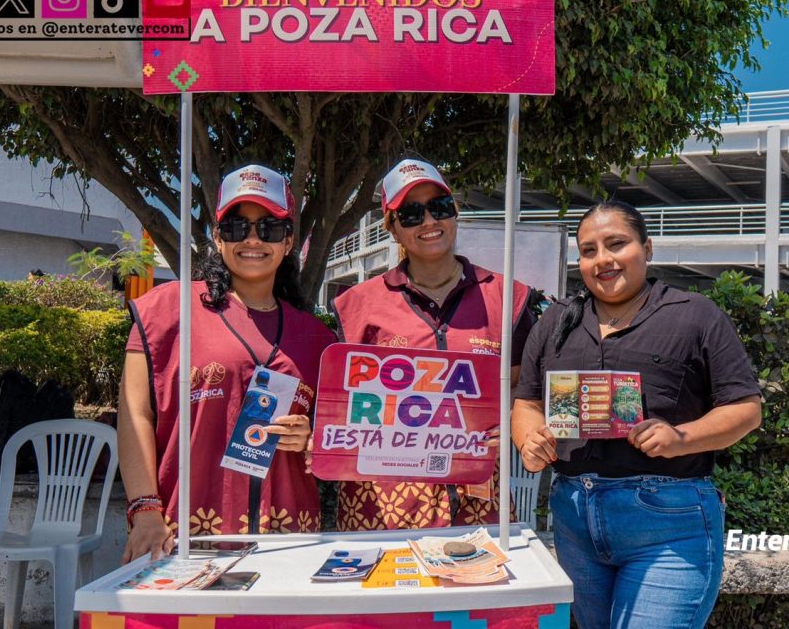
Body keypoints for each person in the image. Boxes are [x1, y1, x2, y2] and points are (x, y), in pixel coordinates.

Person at [513, 199, 762, 629]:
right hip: (574, 518)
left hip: (669, 523)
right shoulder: (555, 321)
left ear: (647, 248)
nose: (602, 259)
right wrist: (529, 440)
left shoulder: (695, 315)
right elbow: (528, 403)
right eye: (588, 250)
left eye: (616, 244)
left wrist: (681, 438)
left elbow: (746, 409)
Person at [118, 164, 336, 562]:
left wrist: (310, 438)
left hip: (288, 539)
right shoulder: (167, 311)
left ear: (288, 241)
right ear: (218, 238)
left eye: (269, 228)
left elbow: (335, 437)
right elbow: (135, 415)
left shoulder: (317, 339)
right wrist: (145, 509)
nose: (253, 239)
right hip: (182, 534)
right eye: (237, 227)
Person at [331, 158, 535, 530]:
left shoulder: (506, 297)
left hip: (479, 497)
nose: (428, 221)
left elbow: (524, 386)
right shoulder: (357, 305)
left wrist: (507, 420)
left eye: (439, 207)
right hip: (384, 505)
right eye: (411, 214)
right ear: (393, 228)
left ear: (454, 212)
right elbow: (338, 404)